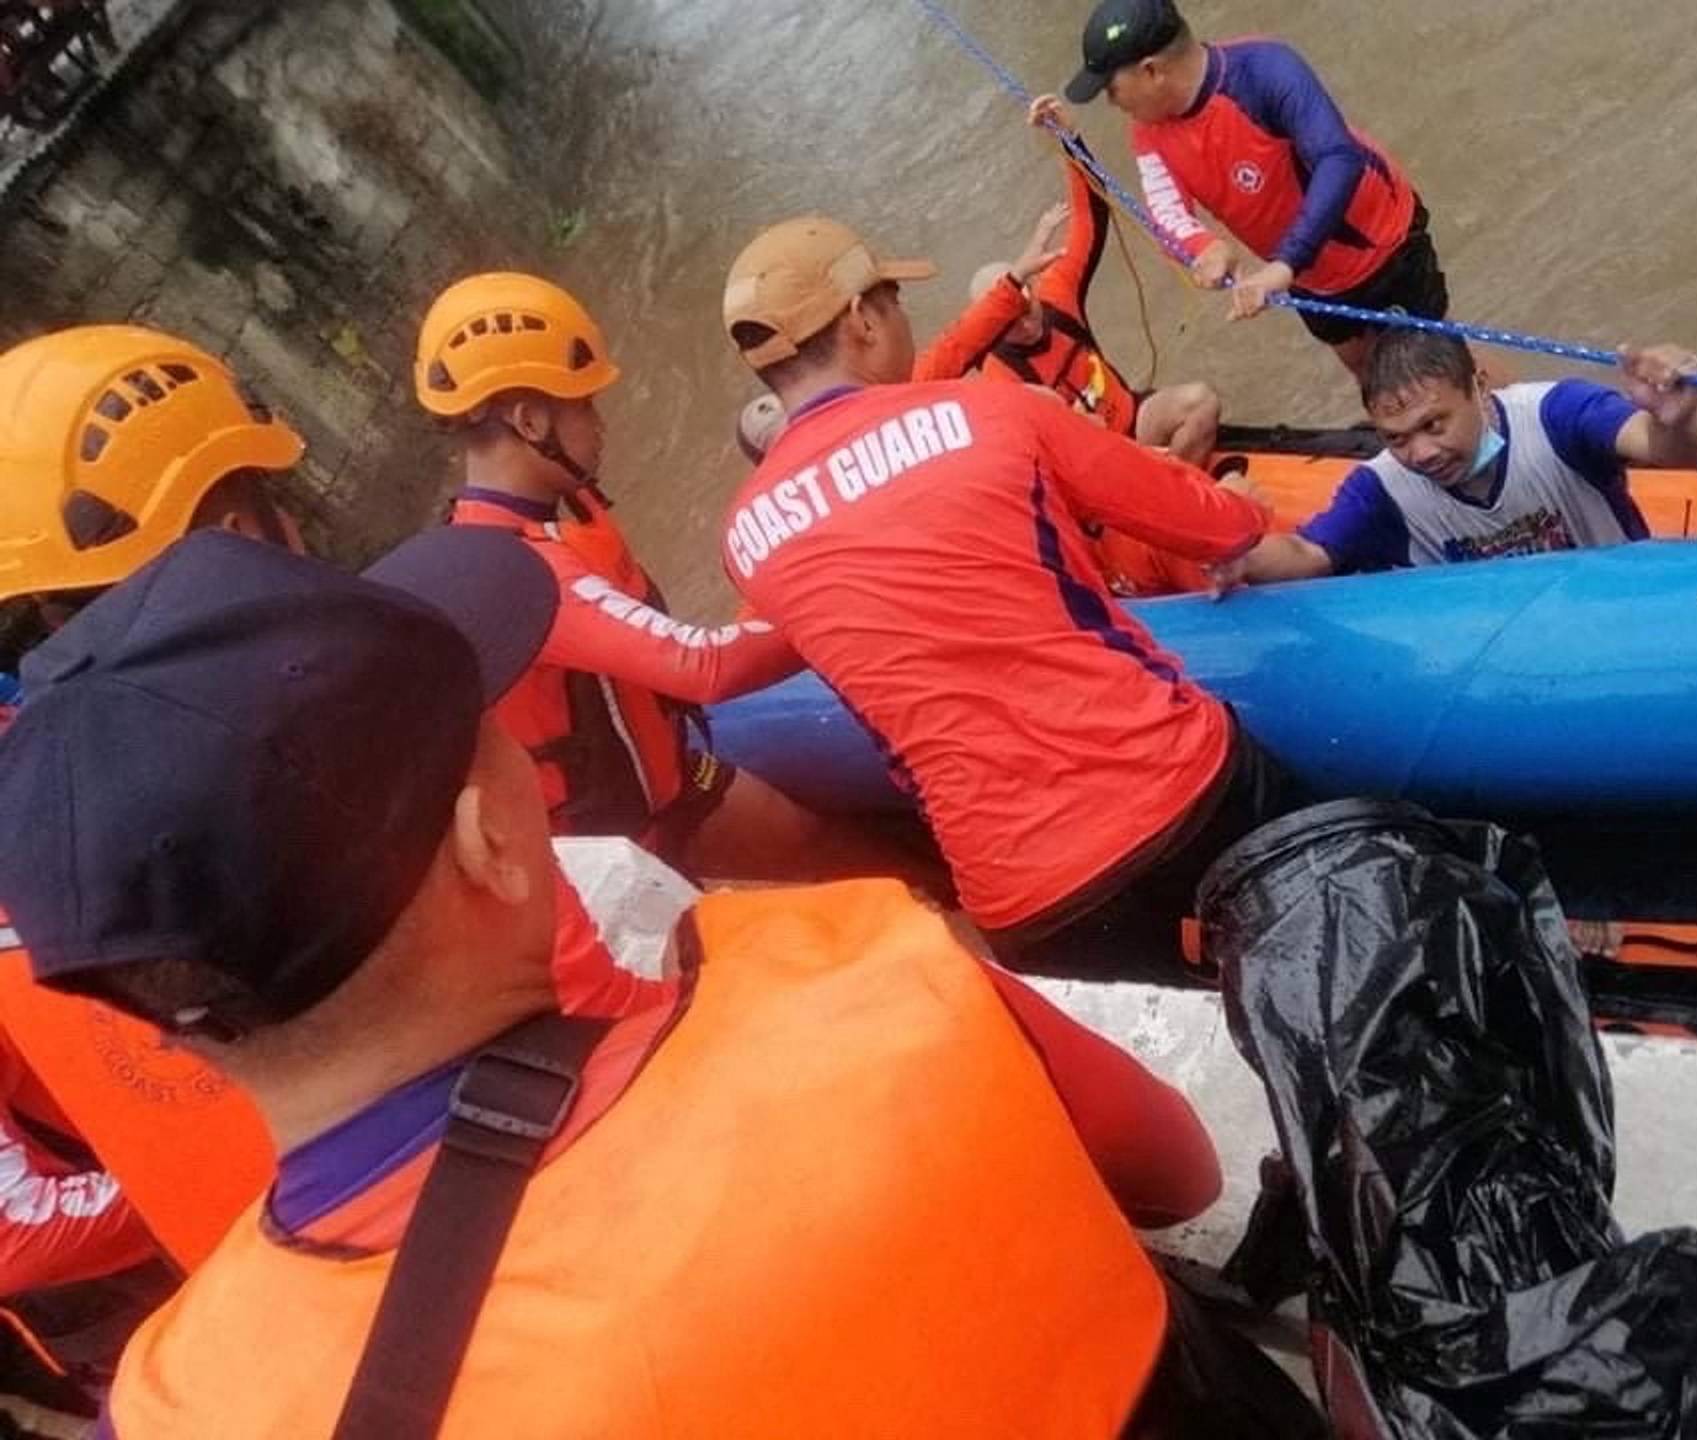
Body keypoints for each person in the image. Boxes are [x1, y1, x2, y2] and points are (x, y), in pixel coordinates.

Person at [0, 529, 1317, 1438]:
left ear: (162, 1026)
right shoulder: (858, 979)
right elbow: (1180, 1172)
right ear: (491, 842)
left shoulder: (182, 1402)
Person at [0, 325, 645, 1296]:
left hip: (289, 1285)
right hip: (566, 1185)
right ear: (239, 527)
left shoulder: (54, 824)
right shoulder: (354, 720)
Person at [720, 215, 1315, 981]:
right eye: (894, 300)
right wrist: (1239, 506)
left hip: (1020, 902)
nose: (903, 317)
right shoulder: (988, 411)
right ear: (863, 321)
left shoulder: (745, 537)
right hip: (1171, 794)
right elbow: (1204, 521)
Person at [419, 272, 946, 889]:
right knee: (883, 884)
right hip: (621, 848)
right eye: (584, 406)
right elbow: (703, 666)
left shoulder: (554, 516)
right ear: (532, 422)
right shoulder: (521, 575)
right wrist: (841, 591)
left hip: (673, 777)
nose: (600, 423)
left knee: (875, 862)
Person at [1055, 0, 1446, 378]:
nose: (1111, 102)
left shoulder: (1265, 69)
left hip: (1377, 241)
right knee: (1369, 373)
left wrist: (1285, 263)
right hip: (1306, 277)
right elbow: (1166, 212)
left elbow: (1338, 158)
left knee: (1435, 369)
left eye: (1111, 88)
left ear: (1151, 71)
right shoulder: (1147, 130)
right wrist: (1202, 247)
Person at [1248, 329, 1697, 577]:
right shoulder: (1380, 488)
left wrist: (1676, 420)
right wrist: (1232, 549)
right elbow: (1307, 554)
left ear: (1480, 388)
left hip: (1624, 611)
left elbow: (1662, 449)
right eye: (1396, 437)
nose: (1421, 453)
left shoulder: (1556, 413)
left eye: (1434, 425)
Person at [916, 120, 1220, 466]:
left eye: (1026, 308)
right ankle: (1161, 489)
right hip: (1090, 467)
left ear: (1030, 287)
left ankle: (1177, 483)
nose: (1027, 324)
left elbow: (1090, 217)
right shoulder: (999, 379)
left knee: (1201, 402)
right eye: (1010, 323)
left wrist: (1068, 138)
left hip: (1132, 422)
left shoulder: (1057, 296)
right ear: (991, 324)